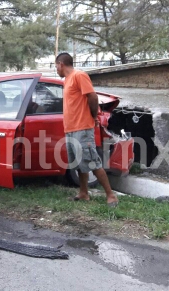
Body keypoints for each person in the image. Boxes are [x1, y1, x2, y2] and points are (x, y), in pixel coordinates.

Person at [55, 52, 119, 207]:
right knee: (79, 163)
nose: (56, 69)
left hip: (82, 127)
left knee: (91, 162)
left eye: (56, 66)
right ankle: (84, 193)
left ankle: (111, 195)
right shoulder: (67, 81)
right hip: (71, 128)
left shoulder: (79, 75)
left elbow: (93, 96)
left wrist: (92, 116)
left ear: (61, 64)